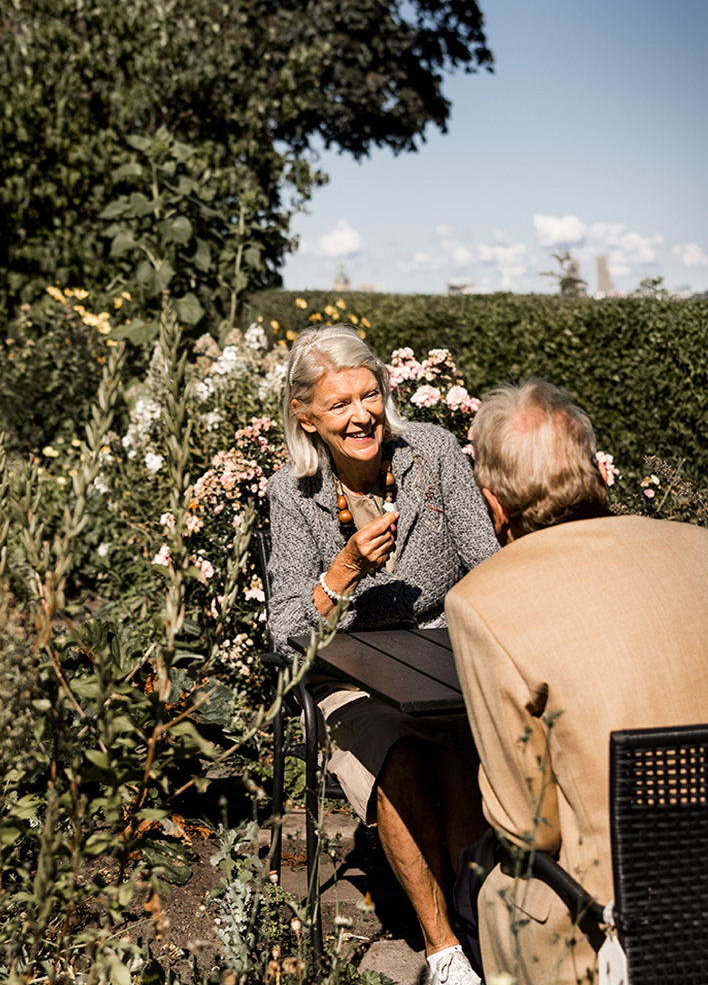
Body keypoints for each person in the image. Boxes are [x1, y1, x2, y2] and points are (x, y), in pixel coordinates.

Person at [443, 379, 708, 985]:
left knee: (478, 885)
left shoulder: (481, 602)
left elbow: (527, 827)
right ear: (599, 474)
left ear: (495, 505)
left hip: (618, 927)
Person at [265, 324, 499, 985]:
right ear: (305, 418)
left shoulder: (432, 451)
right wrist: (339, 573)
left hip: (442, 663)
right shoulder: (294, 494)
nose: (362, 414)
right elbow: (284, 634)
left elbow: (486, 564)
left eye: (369, 395)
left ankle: (482, 933)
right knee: (396, 751)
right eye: (339, 405)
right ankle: (443, 950)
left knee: (452, 751)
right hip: (351, 673)